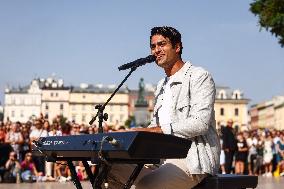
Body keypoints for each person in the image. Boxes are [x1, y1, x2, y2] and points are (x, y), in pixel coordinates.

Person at [107, 26, 220, 189]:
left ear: (177, 47)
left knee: (146, 186)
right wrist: (130, 135)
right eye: (153, 46)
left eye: (162, 44)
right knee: (109, 172)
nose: (156, 50)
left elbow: (199, 124)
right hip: (160, 158)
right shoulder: (160, 85)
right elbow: (154, 127)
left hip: (191, 159)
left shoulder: (199, 76)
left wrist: (150, 131)